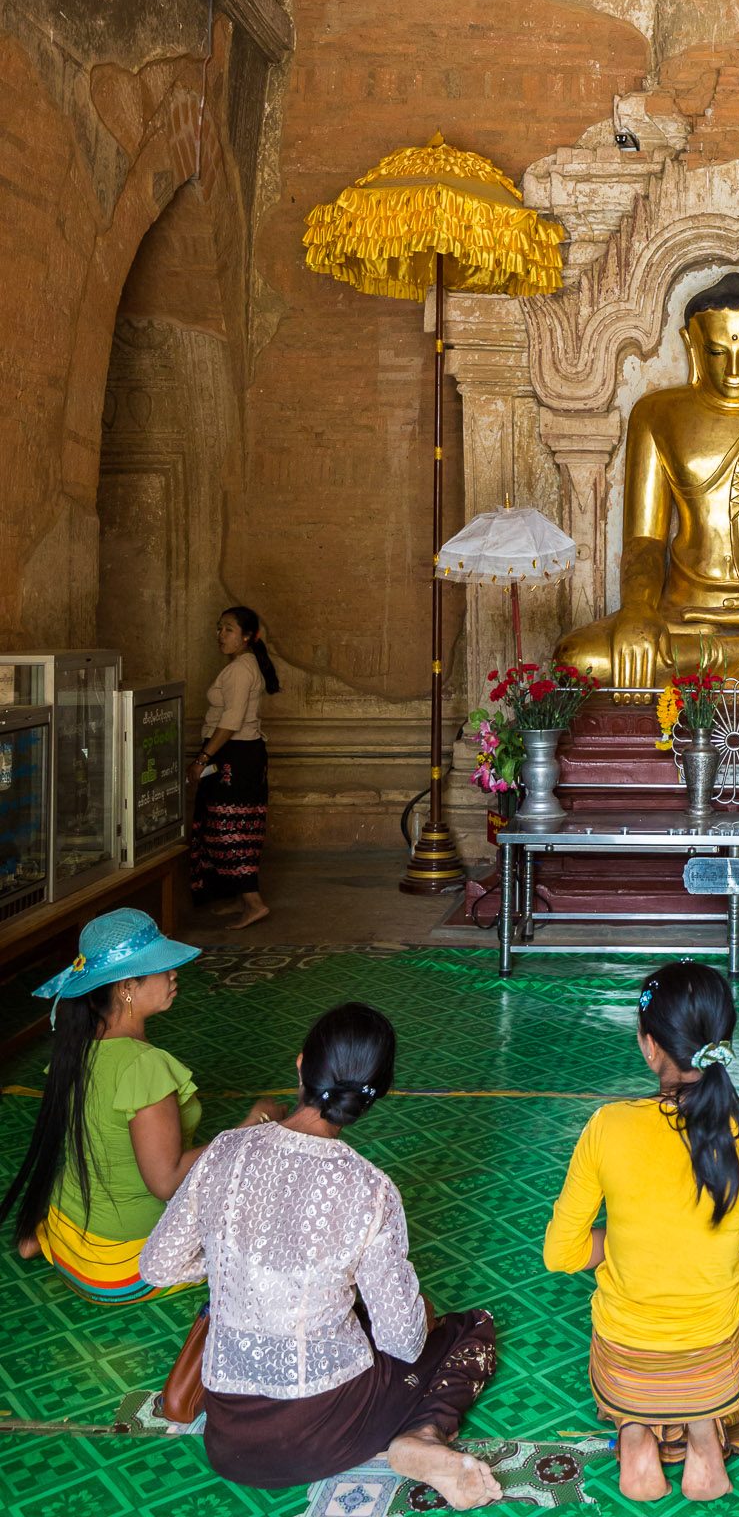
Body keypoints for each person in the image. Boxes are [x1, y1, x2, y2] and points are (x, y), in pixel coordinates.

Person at [140, 1002, 501, 1509]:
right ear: (377, 1093)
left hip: (228, 1440)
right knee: (471, 1330)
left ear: (301, 1063)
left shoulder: (226, 1149)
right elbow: (401, 1340)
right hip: (323, 1434)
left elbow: (157, 1266)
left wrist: (241, 1261)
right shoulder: (370, 1189)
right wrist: (418, 1313)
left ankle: (414, 1437)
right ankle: (420, 1437)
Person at [543, 962, 739, 1502]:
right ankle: (705, 1435)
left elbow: (560, 1254)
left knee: (627, 1364)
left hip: (626, 1367)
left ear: (649, 1047)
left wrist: (621, 1242)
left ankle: (636, 1431)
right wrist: (732, 1270)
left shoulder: (607, 1127)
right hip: (713, 1369)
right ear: (724, 1043)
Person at [0, 908, 279, 1302]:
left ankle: (41, 1240)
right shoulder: (144, 1066)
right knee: (266, 1199)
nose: (173, 974)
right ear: (127, 987)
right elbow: (165, 1182)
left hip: (70, 1237)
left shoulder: (74, 1051)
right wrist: (254, 1125)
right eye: (162, 968)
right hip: (123, 1265)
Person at [189, 604, 278, 929]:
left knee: (228, 832)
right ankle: (241, 898)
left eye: (228, 629)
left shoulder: (241, 669)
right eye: (219, 627)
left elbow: (231, 721)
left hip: (235, 756)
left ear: (246, 637)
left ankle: (253, 903)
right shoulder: (242, 665)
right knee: (230, 828)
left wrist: (202, 759)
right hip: (238, 755)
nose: (220, 635)